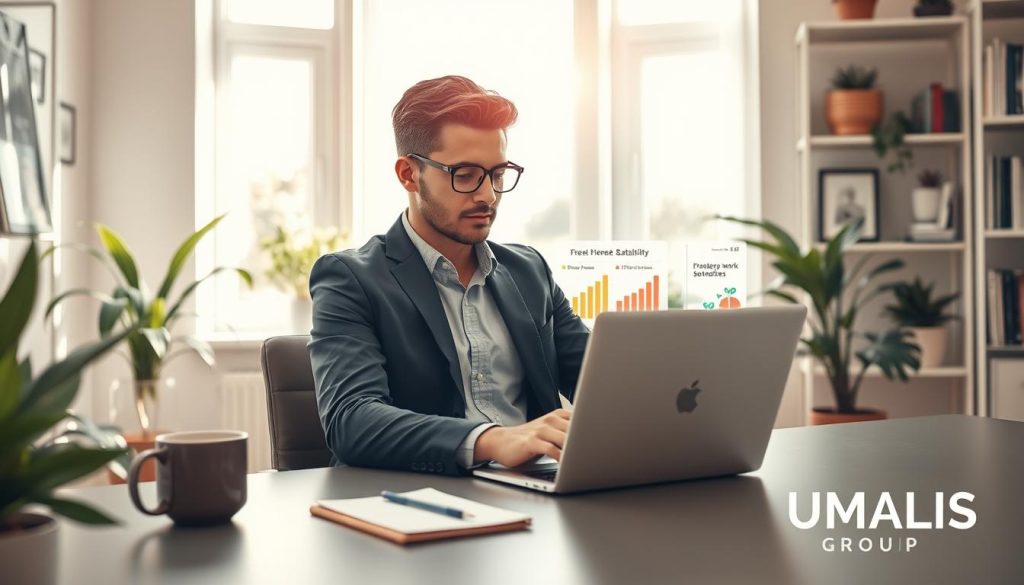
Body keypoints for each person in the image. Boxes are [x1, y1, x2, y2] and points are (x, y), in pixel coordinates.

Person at [308, 75, 591, 476]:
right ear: (409, 175)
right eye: (465, 174)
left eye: (497, 173)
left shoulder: (529, 271)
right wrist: (494, 439)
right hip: (419, 499)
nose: (488, 196)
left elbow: (604, 385)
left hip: (537, 490)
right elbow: (351, 420)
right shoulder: (350, 279)